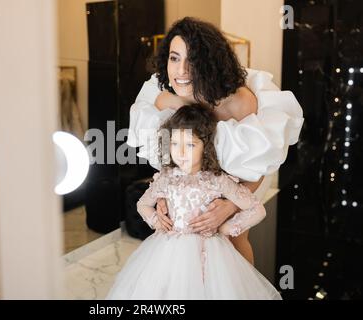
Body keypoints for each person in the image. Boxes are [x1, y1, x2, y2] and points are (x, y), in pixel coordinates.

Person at [127, 17, 304, 264]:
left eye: (193, 61)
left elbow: (257, 167)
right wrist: (167, 195)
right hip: (196, 175)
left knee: (234, 239)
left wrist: (230, 205)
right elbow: (174, 158)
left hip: (238, 179)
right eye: (174, 58)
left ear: (210, 63)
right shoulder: (169, 99)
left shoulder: (239, 102)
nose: (181, 71)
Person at [107, 104, 281, 299]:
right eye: (174, 144)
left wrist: (226, 228)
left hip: (210, 253)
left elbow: (257, 210)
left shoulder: (217, 180)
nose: (180, 152)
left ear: (205, 147)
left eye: (190, 145)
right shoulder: (166, 177)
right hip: (168, 250)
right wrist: (157, 221)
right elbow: (142, 204)